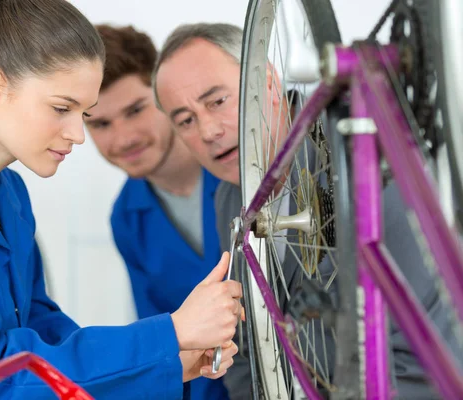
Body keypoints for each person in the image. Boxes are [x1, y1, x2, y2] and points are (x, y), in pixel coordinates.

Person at [0, 3, 244, 399]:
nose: (79, 135)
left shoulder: (9, 194)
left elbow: (44, 330)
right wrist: (171, 333)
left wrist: (163, 360)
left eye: (84, 113)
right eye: (62, 108)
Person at [152, 22, 461, 400]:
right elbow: (249, 349)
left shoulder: (369, 163)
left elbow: (427, 350)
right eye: (185, 120)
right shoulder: (229, 200)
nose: (207, 131)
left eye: (217, 101)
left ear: (266, 80)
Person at [84, 25, 230, 400]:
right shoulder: (127, 220)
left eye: (135, 111)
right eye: (100, 124)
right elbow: (166, 349)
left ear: (164, 96)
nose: (123, 138)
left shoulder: (238, 168)